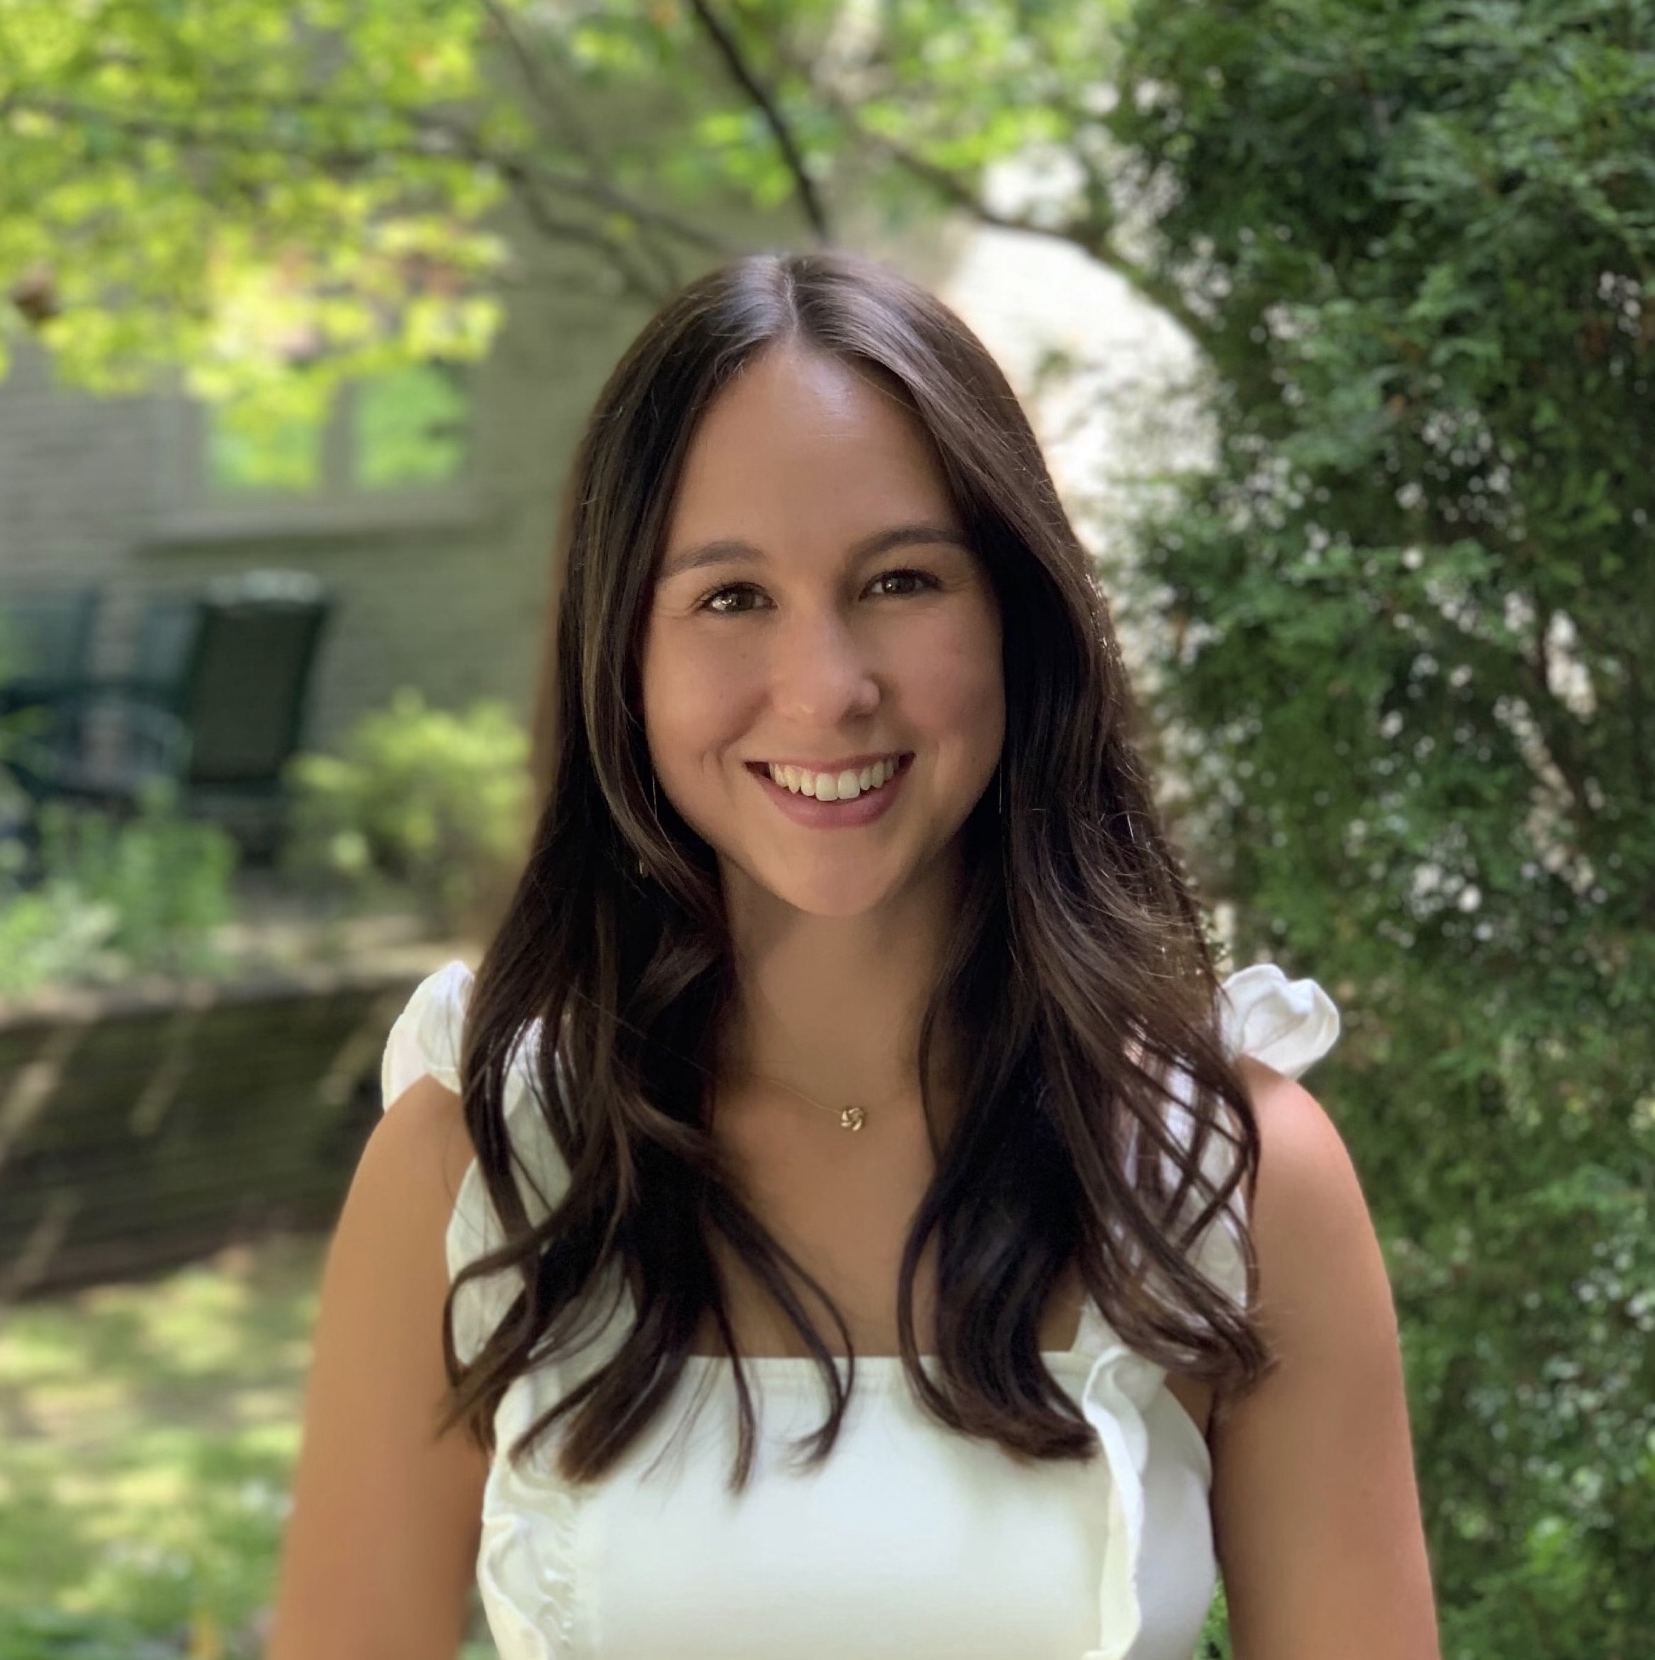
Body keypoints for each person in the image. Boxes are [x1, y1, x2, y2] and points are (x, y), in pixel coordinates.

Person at [267, 252, 1440, 1660]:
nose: (828, 688)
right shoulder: (481, 1165)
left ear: (1015, 615)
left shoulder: (1228, 1171)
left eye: (898, 580)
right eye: (729, 598)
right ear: (619, 659)